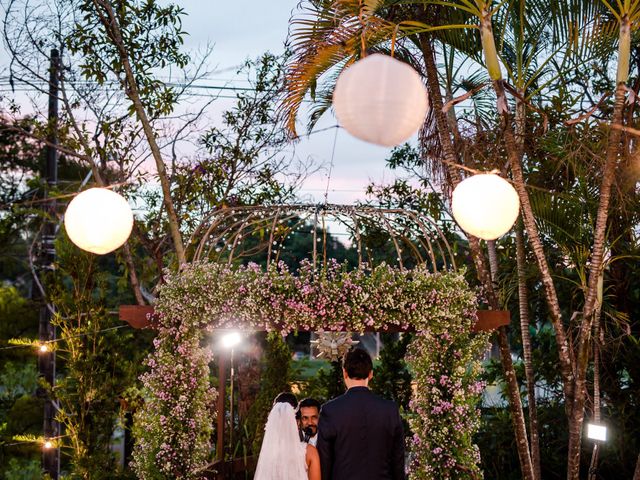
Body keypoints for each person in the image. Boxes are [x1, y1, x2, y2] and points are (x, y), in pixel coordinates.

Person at [316, 349, 405, 480]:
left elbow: (324, 461)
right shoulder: (389, 410)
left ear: (344, 373)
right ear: (371, 374)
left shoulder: (331, 410)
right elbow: (398, 460)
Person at [254, 392, 321, 480]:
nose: (309, 422)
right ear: (297, 422)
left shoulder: (267, 453)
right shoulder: (310, 452)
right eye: (305, 418)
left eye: (314, 417)